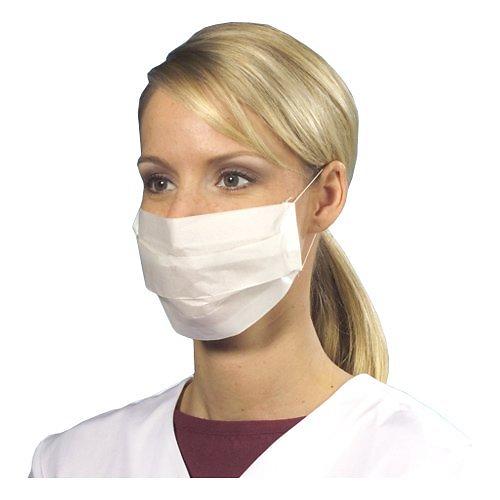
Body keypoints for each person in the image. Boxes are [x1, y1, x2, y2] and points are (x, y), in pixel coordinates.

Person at [28, 21, 471, 478]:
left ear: (325, 197)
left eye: (233, 178)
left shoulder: (428, 469)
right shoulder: (69, 466)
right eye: (159, 181)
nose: (180, 217)